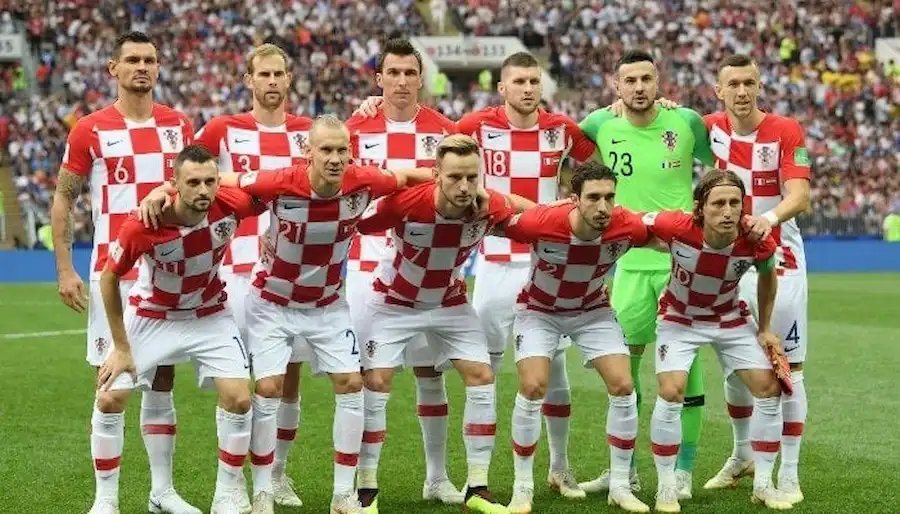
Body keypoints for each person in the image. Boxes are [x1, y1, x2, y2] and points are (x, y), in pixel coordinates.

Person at [143, 115, 436, 514]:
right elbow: (225, 184)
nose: (335, 159)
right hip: (272, 303)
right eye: (326, 150)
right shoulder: (278, 181)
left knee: (352, 384)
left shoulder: (365, 181)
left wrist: (446, 177)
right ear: (307, 152)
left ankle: (343, 495)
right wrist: (162, 189)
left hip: (328, 305)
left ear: (351, 153)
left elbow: (402, 179)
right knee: (267, 389)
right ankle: (263, 490)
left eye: (342, 151)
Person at [50, 31, 198, 514]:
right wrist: (65, 267)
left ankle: (162, 493)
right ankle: (106, 502)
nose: (142, 67)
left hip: (166, 273)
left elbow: (197, 190)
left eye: (150, 60)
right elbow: (64, 197)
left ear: (159, 68)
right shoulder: (89, 129)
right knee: (112, 393)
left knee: (161, 383)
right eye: (132, 60)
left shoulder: (179, 126)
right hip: (112, 272)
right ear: (112, 68)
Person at [353, 134, 529, 514]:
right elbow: (358, 222)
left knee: (482, 377)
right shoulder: (405, 204)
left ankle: (477, 488)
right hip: (393, 302)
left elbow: (535, 217)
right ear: (436, 176)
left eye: (472, 177)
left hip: (449, 302)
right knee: (378, 382)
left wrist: (568, 210)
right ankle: (366, 488)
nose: (464, 187)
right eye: (454, 178)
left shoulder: (488, 206)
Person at [95, 144, 266, 514]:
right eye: (192, 182)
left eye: (210, 181)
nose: (203, 191)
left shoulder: (231, 204)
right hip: (152, 315)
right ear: (175, 183)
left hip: (209, 314)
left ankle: (226, 496)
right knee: (109, 398)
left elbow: (276, 190)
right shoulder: (145, 222)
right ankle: (105, 502)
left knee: (239, 398)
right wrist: (121, 348)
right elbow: (109, 280)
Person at [459, 51, 598, 499]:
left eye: (534, 81)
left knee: (554, 371)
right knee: (486, 371)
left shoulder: (561, 130)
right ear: (502, 87)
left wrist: (616, 109)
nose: (527, 88)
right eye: (518, 81)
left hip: (545, 262)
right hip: (496, 260)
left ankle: (559, 468)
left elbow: (605, 150)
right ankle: (477, 477)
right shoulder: (477, 126)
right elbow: (431, 145)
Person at [578, 49, 715, 498]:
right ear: (617, 87)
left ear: (660, 82)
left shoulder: (687, 123)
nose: (638, 87)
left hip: (681, 265)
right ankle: (626, 471)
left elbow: (730, 160)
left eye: (646, 79)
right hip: (629, 266)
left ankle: (683, 472)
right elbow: (559, 151)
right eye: (629, 81)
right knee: (624, 375)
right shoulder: (601, 124)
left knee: (686, 371)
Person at [193, 43, 312, 510]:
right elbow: (190, 173)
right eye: (263, 74)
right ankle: (234, 483)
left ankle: (276, 474)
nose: (272, 81)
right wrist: (249, 187)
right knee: (238, 382)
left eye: (279, 73)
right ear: (248, 80)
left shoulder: (308, 134)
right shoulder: (223, 130)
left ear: (289, 79)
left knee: (287, 380)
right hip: (236, 269)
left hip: (294, 272)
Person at [345, 39, 463, 505]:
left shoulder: (446, 132)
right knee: (370, 376)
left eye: (409, 72)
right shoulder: (354, 129)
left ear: (420, 77)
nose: (400, 81)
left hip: (426, 263)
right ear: (378, 78)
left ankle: (437, 478)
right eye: (391, 72)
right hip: (364, 262)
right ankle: (362, 482)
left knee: (430, 373)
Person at [500, 161, 652, 514]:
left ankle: (619, 485)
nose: (603, 207)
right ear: (574, 199)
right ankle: (522, 488)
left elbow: (668, 232)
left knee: (623, 385)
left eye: (609, 198)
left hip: (592, 312)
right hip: (539, 311)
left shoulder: (625, 224)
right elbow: (493, 217)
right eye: (594, 198)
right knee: (535, 385)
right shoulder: (542, 221)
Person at [644, 170, 793, 512]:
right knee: (671, 391)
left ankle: (763, 485)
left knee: (769, 389)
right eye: (719, 203)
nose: (728, 211)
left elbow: (768, 278)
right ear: (700, 209)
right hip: (679, 318)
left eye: (734, 203)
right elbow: (630, 226)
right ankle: (666, 488)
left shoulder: (757, 239)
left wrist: (766, 328)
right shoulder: (675, 226)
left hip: (729, 318)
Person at [702, 53, 812, 505]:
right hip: (728, 259)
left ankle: (788, 472)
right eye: (734, 84)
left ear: (760, 85)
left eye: (750, 82)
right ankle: (742, 454)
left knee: (789, 367)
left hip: (779, 254)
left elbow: (800, 195)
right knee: (734, 361)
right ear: (719, 90)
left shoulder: (786, 130)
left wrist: (767, 219)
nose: (743, 91)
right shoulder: (706, 127)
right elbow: (656, 123)